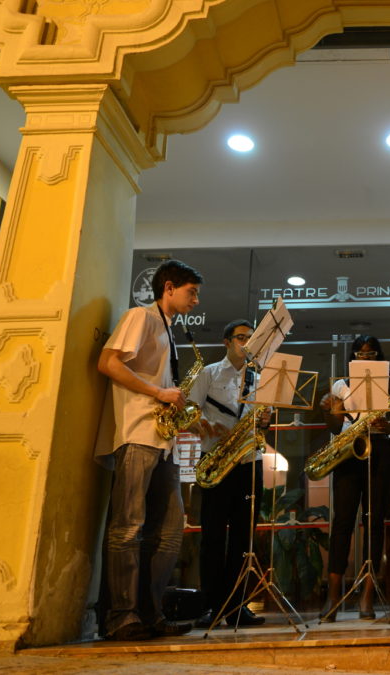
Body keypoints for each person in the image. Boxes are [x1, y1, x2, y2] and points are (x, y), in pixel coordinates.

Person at [96, 259, 202, 641]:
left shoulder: (168, 329)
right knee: (128, 528)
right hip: (137, 432)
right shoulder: (141, 316)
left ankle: (150, 613)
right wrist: (160, 392)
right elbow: (107, 363)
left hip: (162, 439)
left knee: (170, 532)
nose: (196, 300)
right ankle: (121, 617)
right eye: (192, 292)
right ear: (169, 287)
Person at [188, 319, 272, 628]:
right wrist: (204, 426)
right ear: (226, 342)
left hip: (249, 462)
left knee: (243, 539)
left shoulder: (260, 379)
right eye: (241, 337)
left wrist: (265, 419)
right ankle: (212, 605)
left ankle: (237, 607)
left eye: (251, 339)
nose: (246, 343)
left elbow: (264, 423)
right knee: (212, 537)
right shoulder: (208, 374)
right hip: (216, 460)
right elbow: (189, 413)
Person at [317, 335, 390, 621]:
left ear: (379, 355)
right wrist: (331, 409)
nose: (365, 358)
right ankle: (333, 598)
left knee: (374, 523)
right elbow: (333, 426)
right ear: (352, 356)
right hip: (348, 452)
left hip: (378, 451)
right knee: (342, 523)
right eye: (360, 353)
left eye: (371, 353)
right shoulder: (341, 385)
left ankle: (367, 598)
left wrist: (385, 425)